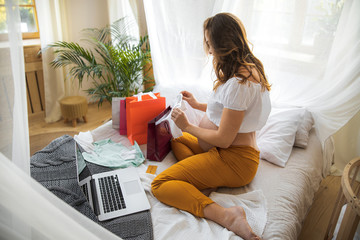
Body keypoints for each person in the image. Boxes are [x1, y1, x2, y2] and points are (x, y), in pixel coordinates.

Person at [151, 12, 271, 240]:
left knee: (160, 183)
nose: (207, 49)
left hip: (234, 158)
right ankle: (203, 180)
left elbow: (225, 139)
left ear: (221, 44)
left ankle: (227, 216)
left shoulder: (240, 83)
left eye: (209, 43)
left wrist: (187, 125)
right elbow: (231, 112)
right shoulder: (247, 69)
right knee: (177, 141)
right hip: (223, 152)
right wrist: (197, 105)